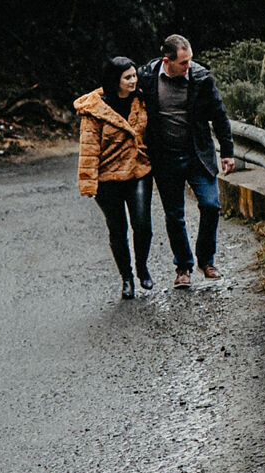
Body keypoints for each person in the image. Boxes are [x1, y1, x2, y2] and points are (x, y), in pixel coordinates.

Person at [138, 34, 235, 288]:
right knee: (174, 216)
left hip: (198, 154)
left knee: (211, 205)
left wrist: (227, 151)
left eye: (190, 60)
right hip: (166, 157)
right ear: (166, 61)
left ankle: (206, 261)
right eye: (183, 63)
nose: (189, 66)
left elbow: (220, 114)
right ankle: (183, 267)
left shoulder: (201, 78)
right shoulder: (147, 78)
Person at [75, 56, 155, 298]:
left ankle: (142, 267)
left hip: (138, 170)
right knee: (117, 229)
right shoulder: (95, 109)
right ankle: (127, 278)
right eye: (127, 77)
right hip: (107, 177)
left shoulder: (142, 99)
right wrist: (88, 183)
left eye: (134, 76)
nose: (133, 81)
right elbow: (88, 148)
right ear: (115, 80)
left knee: (142, 224)